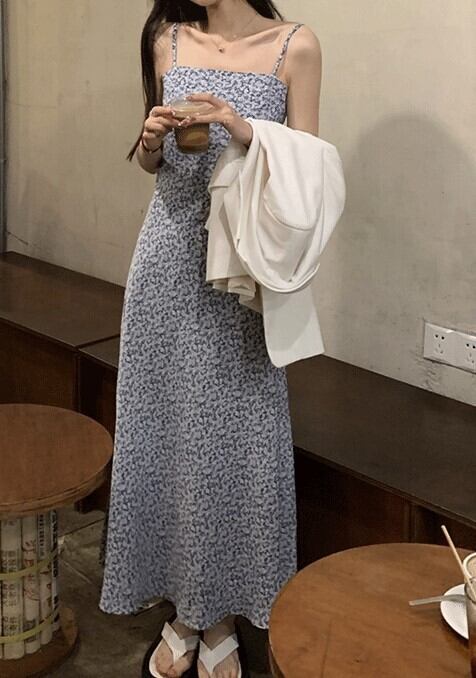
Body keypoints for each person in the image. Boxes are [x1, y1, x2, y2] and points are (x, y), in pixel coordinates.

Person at [98, 1, 322, 677]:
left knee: (237, 438)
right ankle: (187, 610)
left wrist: (241, 128)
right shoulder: (165, 36)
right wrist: (148, 140)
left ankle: (220, 612)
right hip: (166, 258)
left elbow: (309, 168)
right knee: (167, 433)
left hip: (241, 273)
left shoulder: (296, 47)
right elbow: (156, 165)